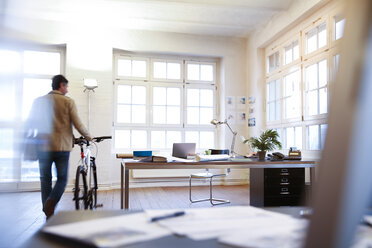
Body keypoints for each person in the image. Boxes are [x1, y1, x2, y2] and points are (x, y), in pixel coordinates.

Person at [25, 74, 92, 219]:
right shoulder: (68, 102)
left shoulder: (38, 102)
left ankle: (48, 212)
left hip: (43, 147)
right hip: (62, 147)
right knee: (61, 179)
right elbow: (78, 124)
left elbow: (30, 123)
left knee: (45, 179)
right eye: (66, 86)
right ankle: (51, 202)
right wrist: (89, 137)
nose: (67, 90)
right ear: (61, 85)